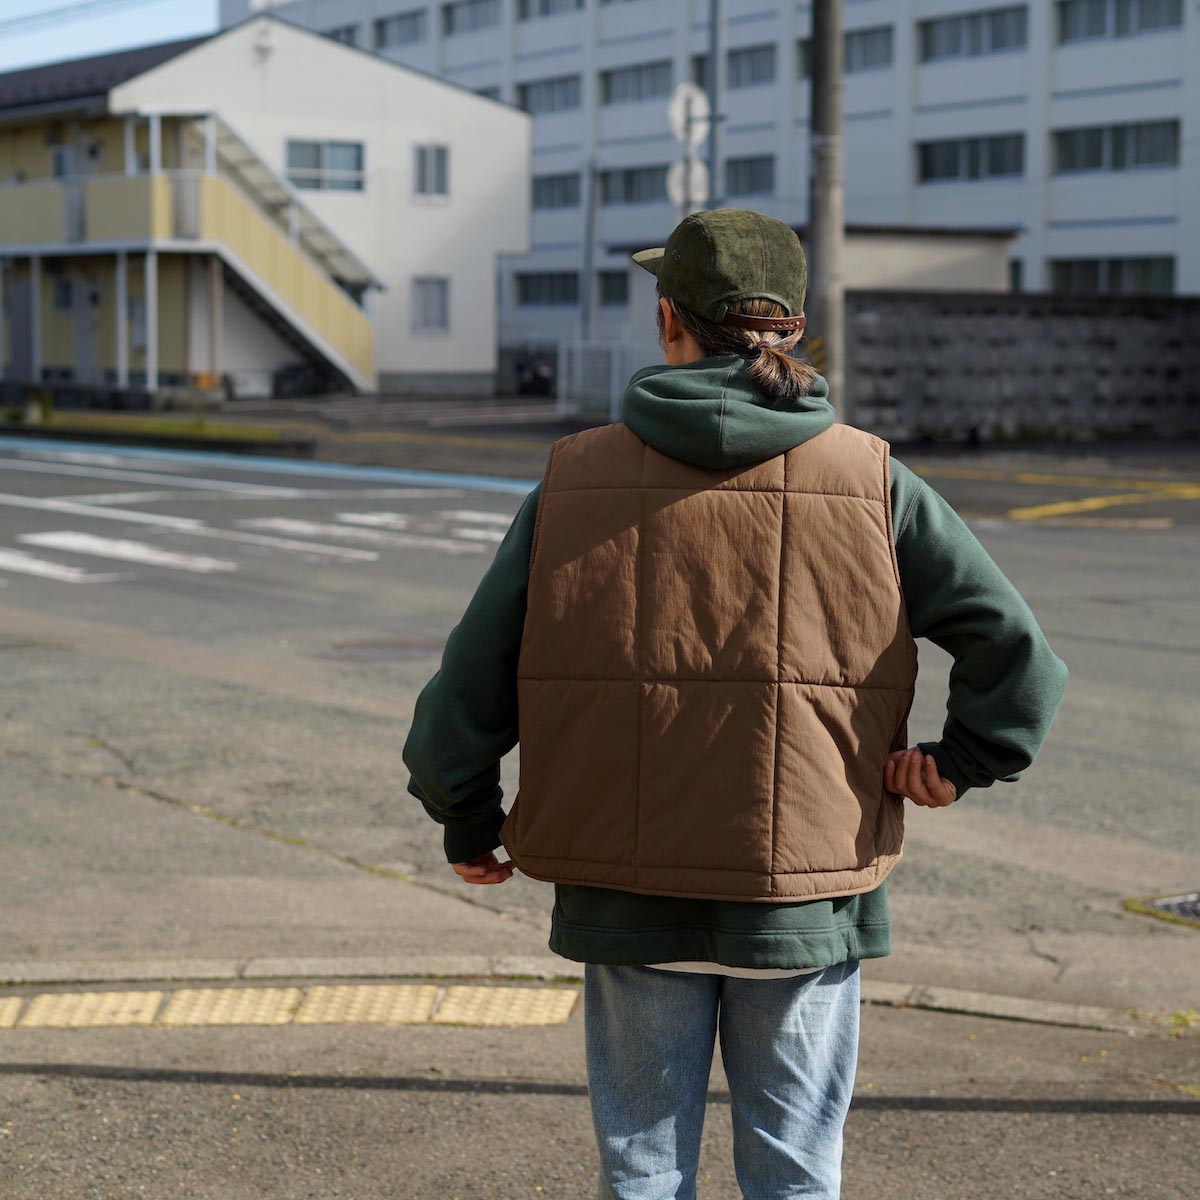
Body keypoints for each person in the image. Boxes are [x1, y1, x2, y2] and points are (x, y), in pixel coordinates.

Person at [403, 209, 1068, 1200]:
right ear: (794, 330)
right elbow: (1018, 656)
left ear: (669, 320)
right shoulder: (871, 479)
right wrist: (961, 760)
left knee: (642, 1166)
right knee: (798, 1171)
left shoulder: (575, 478)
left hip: (626, 895)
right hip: (804, 894)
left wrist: (466, 814)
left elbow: (469, 683)